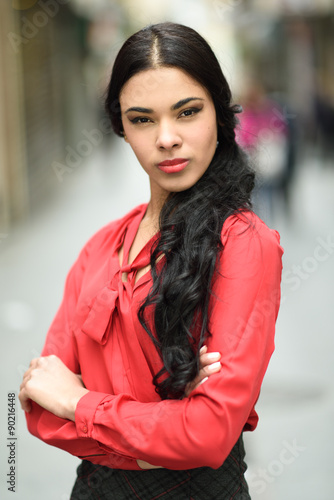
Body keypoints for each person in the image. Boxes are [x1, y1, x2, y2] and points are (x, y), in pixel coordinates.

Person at [19, 22, 283, 499]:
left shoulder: (244, 243)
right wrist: (161, 432)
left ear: (219, 115)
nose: (166, 138)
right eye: (142, 119)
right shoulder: (101, 247)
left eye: (187, 112)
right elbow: (39, 407)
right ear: (121, 126)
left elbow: (207, 434)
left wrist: (78, 400)